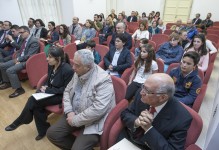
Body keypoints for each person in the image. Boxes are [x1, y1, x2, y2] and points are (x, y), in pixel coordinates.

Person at [47, 49, 116, 150]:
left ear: (88, 67)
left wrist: (75, 120)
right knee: (52, 134)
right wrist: (69, 111)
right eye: (73, 63)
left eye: (77, 65)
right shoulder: (78, 72)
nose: (73, 68)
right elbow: (66, 91)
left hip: (93, 121)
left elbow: (98, 110)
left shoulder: (103, 80)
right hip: (74, 113)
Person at [5, 46, 74, 141]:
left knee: (32, 100)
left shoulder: (68, 70)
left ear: (57, 59)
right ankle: (43, 130)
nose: (47, 59)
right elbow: (48, 79)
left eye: (49, 57)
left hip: (60, 96)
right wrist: (44, 87)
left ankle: (19, 121)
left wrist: (48, 90)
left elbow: (66, 90)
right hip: (50, 92)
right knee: (36, 106)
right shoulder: (51, 65)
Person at [117, 73, 192, 149]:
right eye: (143, 86)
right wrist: (136, 121)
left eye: (147, 90)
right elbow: (125, 113)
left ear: (162, 97)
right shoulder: (142, 93)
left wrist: (148, 129)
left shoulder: (182, 118)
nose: (141, 92)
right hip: (128, 138)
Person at [0, 26, 39, 98]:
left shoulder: (34, 41)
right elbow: (20, 49)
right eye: (20, 32)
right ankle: (8, 82)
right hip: (20, 58)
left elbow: (29, 56)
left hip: (27, 61)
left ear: (27, 32)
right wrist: (17, 58)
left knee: (10, 70)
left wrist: (18, 60)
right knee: (2, 66)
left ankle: (19, 89)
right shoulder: (23, 39)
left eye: (21, 32)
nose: (20, 34)